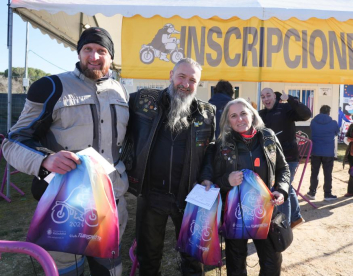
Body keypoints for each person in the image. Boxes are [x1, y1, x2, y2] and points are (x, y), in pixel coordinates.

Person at [2, 27, 129, 276]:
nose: (94, 56)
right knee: (67, 271)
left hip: (112, 204)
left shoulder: (121, 91)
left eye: (102, 51)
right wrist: (45, 160)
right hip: (65, 208)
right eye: (88, 50)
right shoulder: (51, 87)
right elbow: (14, 140)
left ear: (111, 57)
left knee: (110, 271)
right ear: (79, 52)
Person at [123, 58, 215, 275]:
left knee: (193, 256)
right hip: (151, 193)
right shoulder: (142, 102)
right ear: (171, 75)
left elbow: (211, 148)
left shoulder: (207, 112)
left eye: (192, 80)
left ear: (198, 84)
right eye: (181, 76)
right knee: (149, 256)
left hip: (190, 195)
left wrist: (207, 175)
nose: (185, 84)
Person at [200, 98, 289, 276]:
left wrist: (281, 189)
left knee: (272, 261)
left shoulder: (268, 137)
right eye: (233, 116)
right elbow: (211, 180)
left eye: (243, 113)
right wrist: (227, 180)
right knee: (236, 264)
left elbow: (283, 168)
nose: (239, 119)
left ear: (252, 115)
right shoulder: (221, 144)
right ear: (227, 120)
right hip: (235, 213)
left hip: (265, 211)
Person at [259, 88, 311, 228]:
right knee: (286, 185)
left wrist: (290, 98)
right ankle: (296, 217)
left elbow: (307, 114)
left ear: (275, 97)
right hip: (271, 159)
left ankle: (284, 226)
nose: (266, 99)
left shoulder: (285, 108)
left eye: (268, 95)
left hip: (289, 158)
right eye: (263, 97)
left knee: (281, 188)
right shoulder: (261, 114)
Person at [307, 105, 340, 200]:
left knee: (314, 172)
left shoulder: (313, 122)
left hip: (315, 151)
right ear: (329, 112)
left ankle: (312, 192)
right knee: (328, 173)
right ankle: (327, 194)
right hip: (328, 152)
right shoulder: (333, 123)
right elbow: (337, 132)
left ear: (320, 111)